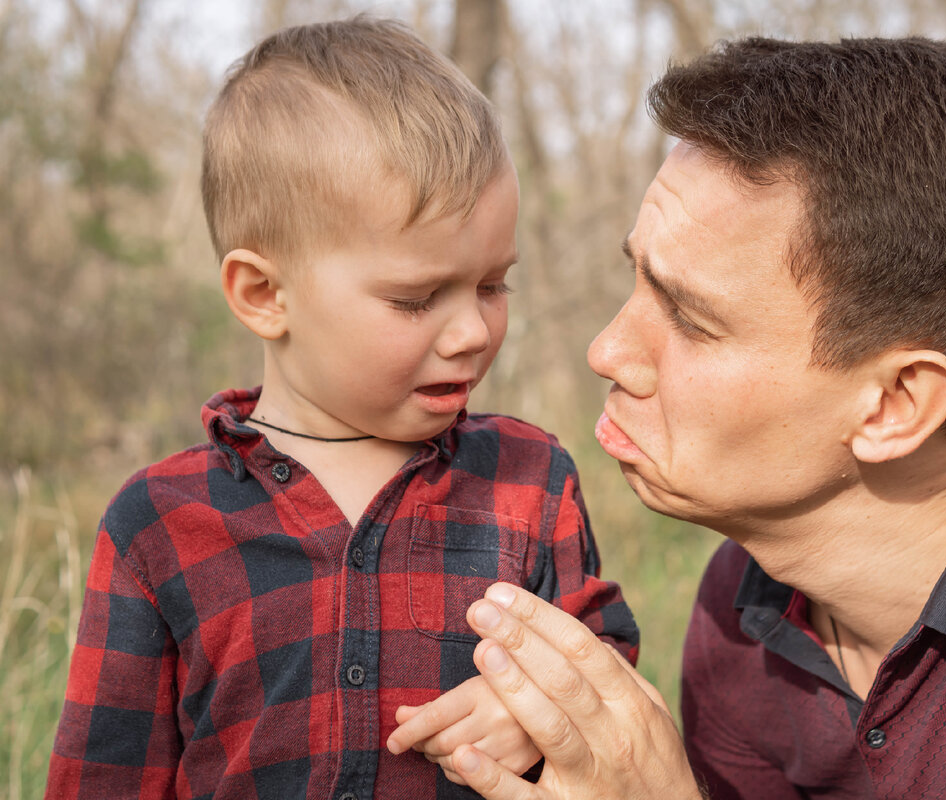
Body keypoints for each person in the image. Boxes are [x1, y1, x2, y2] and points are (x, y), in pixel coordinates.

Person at [397, 36, 946, 800]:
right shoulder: (743, 610)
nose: (608, 350)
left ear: (895, 404)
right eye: (636, 278)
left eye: (690, 318)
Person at [44, 17, 638, 800]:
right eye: (416, 298)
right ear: (264, 294)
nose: (471, 331)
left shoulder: (530, 481)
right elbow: (104, 778)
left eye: (494, 285)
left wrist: (537, 710)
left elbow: (610, 672)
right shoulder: (158, 525)